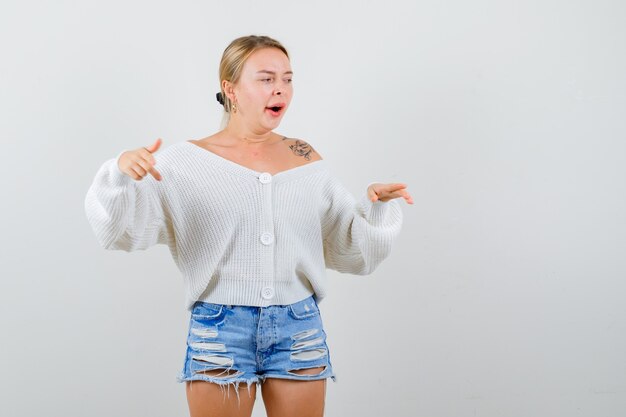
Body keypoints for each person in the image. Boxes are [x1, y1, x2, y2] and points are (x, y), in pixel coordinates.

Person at [85, 35, 413, 417]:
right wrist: (119, 175)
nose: (281, 89)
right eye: (266, 78)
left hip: (298, 325)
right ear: (231, 89)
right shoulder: (184, 162)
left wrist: (374, 208)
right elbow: (120, 232)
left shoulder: (304, 157)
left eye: (288, 79)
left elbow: (351, 249)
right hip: (219, 329)